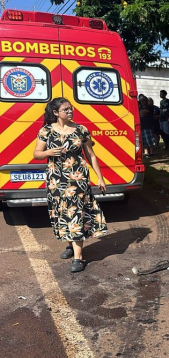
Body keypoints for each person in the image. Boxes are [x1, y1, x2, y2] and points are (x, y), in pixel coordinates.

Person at [33, 98, 108, 273]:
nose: (70, 111)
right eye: (66, 109)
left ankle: (78, 257)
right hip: (56, 180)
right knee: (62, 211)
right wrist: (48, 153)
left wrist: (100, 177)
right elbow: (36, 153)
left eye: (71, 108)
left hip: (77, 179)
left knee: (76, 212)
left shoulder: (81, 130)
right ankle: (70, 245)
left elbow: (91, 155)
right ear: (55, 113)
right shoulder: (46, 131)